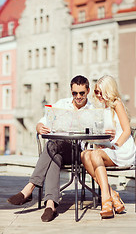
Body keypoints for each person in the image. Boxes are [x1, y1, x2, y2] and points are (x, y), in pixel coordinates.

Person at [7, 75, 95, 222]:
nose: (78, 97)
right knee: (54, 154)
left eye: (82, 93)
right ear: (71, 91)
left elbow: (98, 135)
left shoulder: (93, 110)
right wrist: (39, 127)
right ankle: (50, 205)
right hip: (59, 150)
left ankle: (29, 188)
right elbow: (42, 122)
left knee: (52, 145)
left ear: (88, 91)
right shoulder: (62, 104)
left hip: (79, 152)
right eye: (74, 93)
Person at [81, 75, 136, 219]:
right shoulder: (103, 107)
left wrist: (115, 145)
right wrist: (102, 139)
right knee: (84, 155)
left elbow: (126, 131)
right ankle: (113, 194)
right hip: (109, 147)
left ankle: (105, 199)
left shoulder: (116, 103)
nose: (98, 95)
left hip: (122, 148)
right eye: (96, 92)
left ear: (108, 91)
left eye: (100, 92)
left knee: (95, 154)